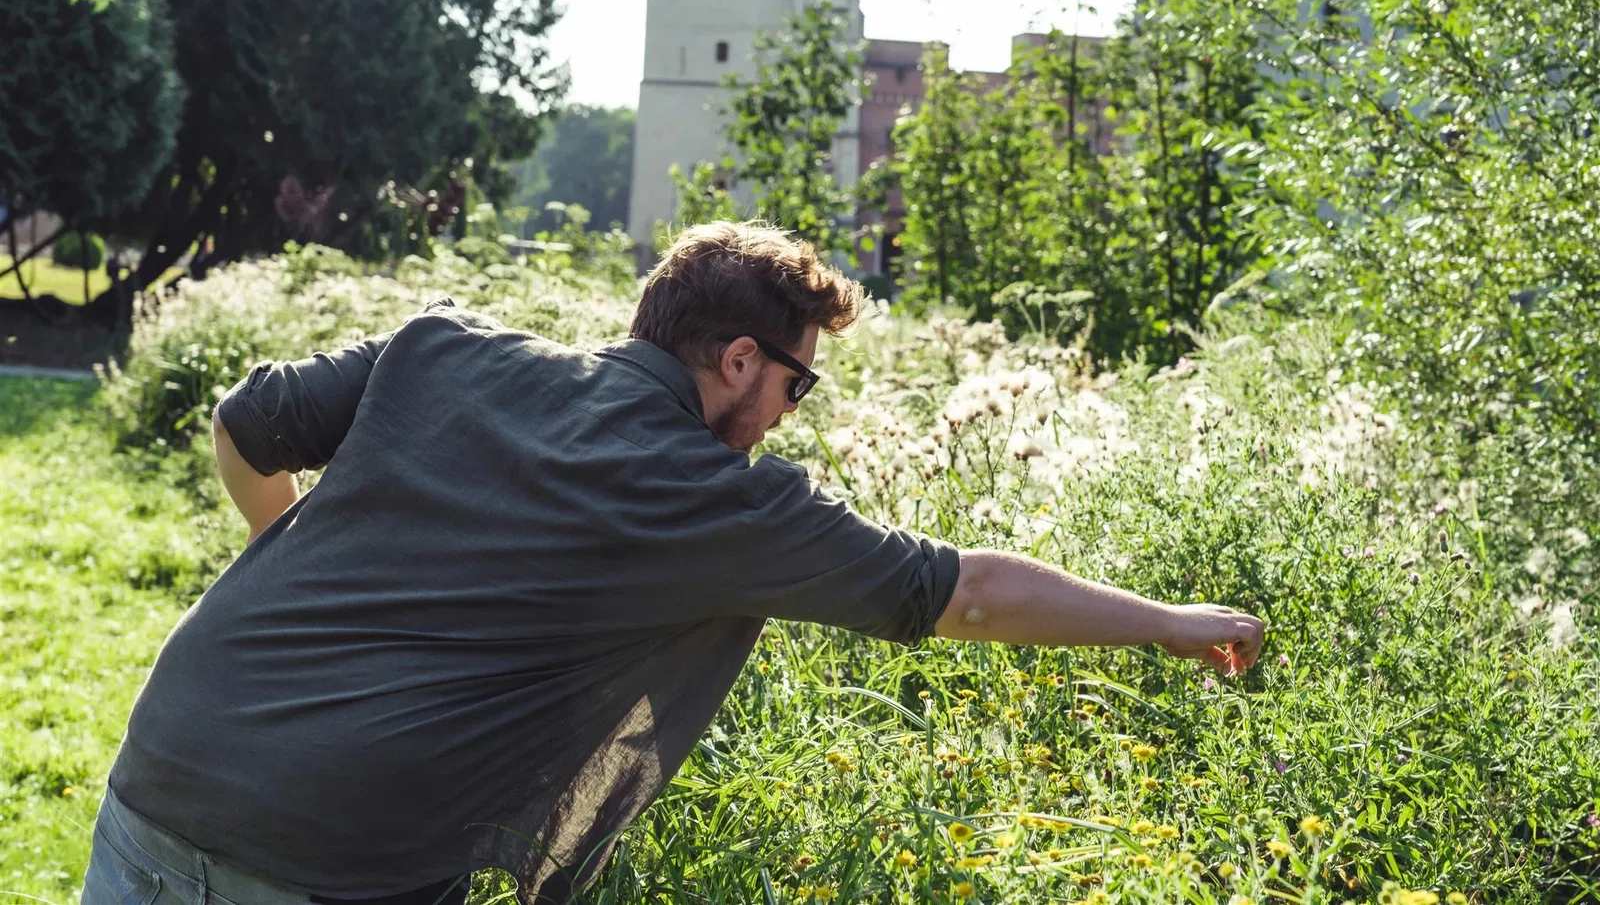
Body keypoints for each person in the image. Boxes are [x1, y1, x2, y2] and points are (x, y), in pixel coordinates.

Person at [83, 221, 1263, 905]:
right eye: (799, 382)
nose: (793, 412)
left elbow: (245, 421)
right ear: (741, 360)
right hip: (331, 852)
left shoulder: (444, 348)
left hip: (171, 752)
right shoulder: (713, 500)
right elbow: (964, 591)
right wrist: (1166, 618)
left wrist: (270, 551)